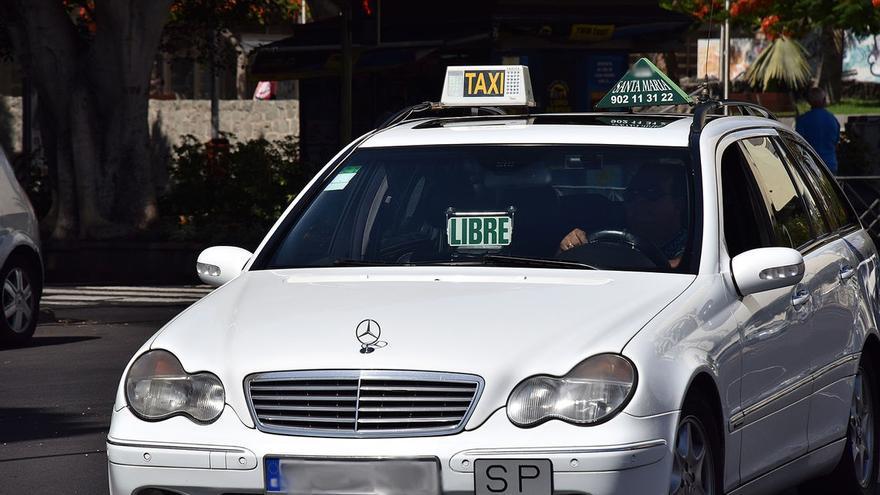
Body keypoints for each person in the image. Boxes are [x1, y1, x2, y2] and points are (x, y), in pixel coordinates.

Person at [558, 163, 688, 268]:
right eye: (632, 194)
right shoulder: (606, 239)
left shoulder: (697, 247)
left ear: (678, 204)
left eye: (651, 193)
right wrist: (570, 247)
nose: (639, 200)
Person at [795, 87, 840, 173]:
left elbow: (798, 143)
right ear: (824, 100)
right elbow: (836, 143)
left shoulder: (802, 120)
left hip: (810, 165)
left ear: (809, 101)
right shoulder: (833, 119)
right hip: (830, 164)